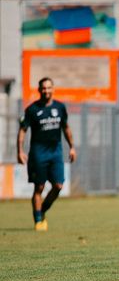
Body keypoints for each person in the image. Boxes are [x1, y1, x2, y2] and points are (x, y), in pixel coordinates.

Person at [16, 77, 77, 231]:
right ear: (39, 90)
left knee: (58, 185)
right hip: (38, 153)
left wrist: (72, 147)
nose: (46, 91)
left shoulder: (60, 107)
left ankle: (41, 210)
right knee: (39, 187)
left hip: (56, 151)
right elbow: (22, 130)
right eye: (43, 88)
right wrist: (20, 151)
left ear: (53, 89)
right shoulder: (32, 110)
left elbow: (66, 128)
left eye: (49, 88)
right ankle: (38, 221)